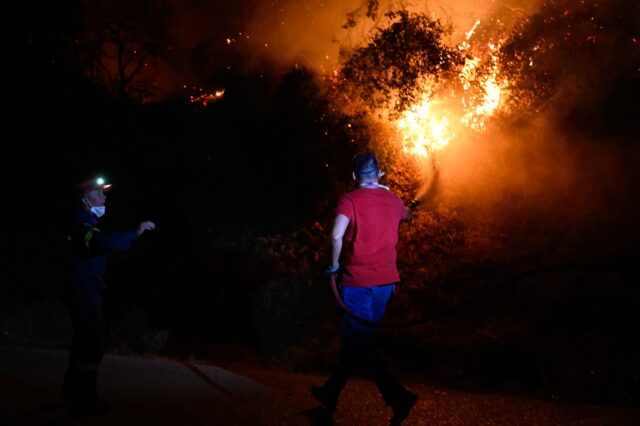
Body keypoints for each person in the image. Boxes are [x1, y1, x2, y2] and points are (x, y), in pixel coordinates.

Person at [312, 152, 418, 425]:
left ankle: (398, 396)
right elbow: (405, 215)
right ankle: (329, 393)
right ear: (380, 173)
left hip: (358, 283)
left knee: (362, 342)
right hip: (386, 284)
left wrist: (333, 266)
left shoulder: (349, 200)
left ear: (354, 176)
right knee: (357, 341)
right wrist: (407, 209)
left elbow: (336, 234)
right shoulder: (394, 200)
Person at [63, 177, 155, 415]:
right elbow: (99, 242)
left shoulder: (87, 221)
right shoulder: (81, 224)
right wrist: (134, 233)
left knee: (84, 342)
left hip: (85, 292)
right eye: (99, 194)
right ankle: (85, 401)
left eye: (104, 194)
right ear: (85, 200)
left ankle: (73, 391)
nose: (104, 198)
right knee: (92, 345)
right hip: (83, 295)